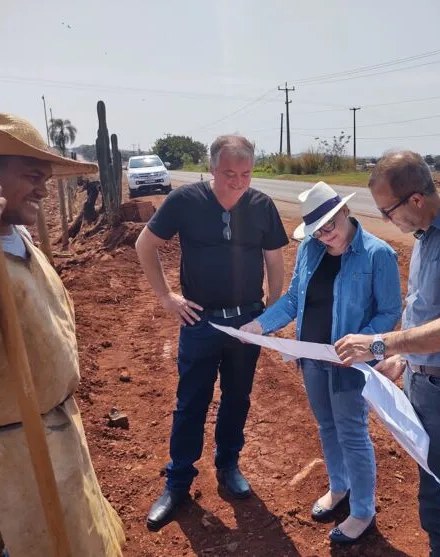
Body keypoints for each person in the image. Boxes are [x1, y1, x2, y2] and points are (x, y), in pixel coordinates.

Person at [0, 113, 125, 556]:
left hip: (51, 424)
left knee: (64, 528)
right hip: (6, 439)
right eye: (32, 176)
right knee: (41, 539)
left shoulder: (14, 232)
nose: (44, 189)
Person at [335, 151, 440, 557]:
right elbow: (426, 309)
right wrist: (407, 359)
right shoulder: (427, 234)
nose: (387, 220)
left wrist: (381, 344)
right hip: (424, 379)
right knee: (432, 489)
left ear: (414, 199)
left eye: (387, 210)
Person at [136, 135, 289, 531]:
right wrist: (167, 297)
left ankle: (228, 465)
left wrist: (271, 312)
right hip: (200, 323)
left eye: (245, 174)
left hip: (247, 323)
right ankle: (178, 482)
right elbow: (144, 244)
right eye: (228, 174)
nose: (238, 182)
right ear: (211, 168)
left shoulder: (261, 206)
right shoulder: (185, 202)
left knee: (237, 397)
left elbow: (274, 260)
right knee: (191, 402)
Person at [240, 181, 401, 543]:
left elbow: (390, 311)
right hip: (312, 358)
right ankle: (338, 488)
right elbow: (295, 300)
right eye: (318, 229)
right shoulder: (310, 250)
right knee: (327, 427)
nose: (326, 234)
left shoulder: (378, 254)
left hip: (349, 363)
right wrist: (260, 324)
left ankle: (362, 510)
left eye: (330, 225)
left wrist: (364, 346)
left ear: (344, 212)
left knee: (352, 432)